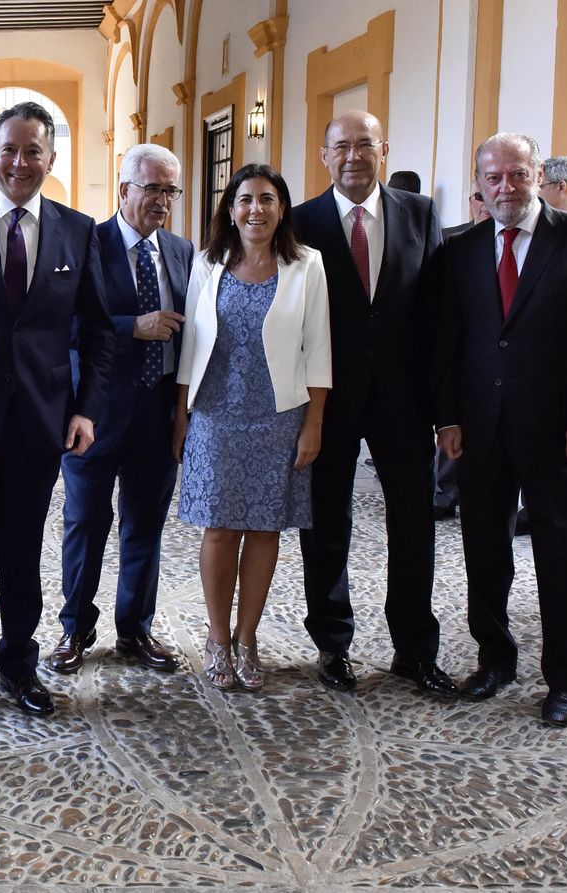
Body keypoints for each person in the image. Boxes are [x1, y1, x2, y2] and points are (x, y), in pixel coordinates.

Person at [0, 101, 115, 719]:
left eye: (33, 150)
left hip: (40, 423)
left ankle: (18, 665)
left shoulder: (78, 231)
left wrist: (86, 408)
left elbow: (99, 330)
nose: (19, 162)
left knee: (22, 550)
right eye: (8, 149)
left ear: (51, 158)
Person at [433, 132, 567, 728]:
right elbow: (447, 344)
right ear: (480, 183)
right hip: (481, 433)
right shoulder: (458, 248)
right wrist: (448, 418)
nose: (505, 188)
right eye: (493, 178)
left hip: (558, 433)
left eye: (516, 175)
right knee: (484, 553)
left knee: (560, 556)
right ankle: (495, 660)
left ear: (537, 174)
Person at [292, 110, 458, 698]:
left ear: (383, 149)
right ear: (324, 154)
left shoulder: (420, 214)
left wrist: (447, 410)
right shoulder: (301, 222)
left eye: (365, 145)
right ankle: (333, 644)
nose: (354, 156)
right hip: (328, 400)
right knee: (327, 523)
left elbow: (438, 317)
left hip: (405, 401)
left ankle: (415, 648)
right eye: (342, 146)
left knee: (413, 525)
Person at [174, 163, 331, 691]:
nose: (255, 209)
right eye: (245, 199)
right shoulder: (208, 263)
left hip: (279, 414)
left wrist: (314, 423)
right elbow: (190, 346)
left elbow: (319, 352)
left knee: (265, 529)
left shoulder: (307, 265)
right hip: (216, 412)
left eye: (267, 199)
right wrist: (181, 416)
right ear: (230, 209)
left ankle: (248, 637)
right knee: (220, 529)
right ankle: (218, 639)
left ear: (282, 208)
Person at [47, 143, 192, 676]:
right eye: (151, 188)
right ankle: (74, 630)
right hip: (95, 410)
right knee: (86, 519)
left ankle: (135, 628)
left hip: (158, 411)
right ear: (123, 188)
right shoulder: (86, 241)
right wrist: (134, 324)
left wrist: (186, 410)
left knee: (146, 523)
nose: (160, 200)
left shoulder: (180, 250)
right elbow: (63, 324)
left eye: (169, 190)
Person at [434, 191, 494, 521]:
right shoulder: (451, 242)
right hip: (462, 369)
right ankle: (444, 493)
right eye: (479, 194)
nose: (486, 202)